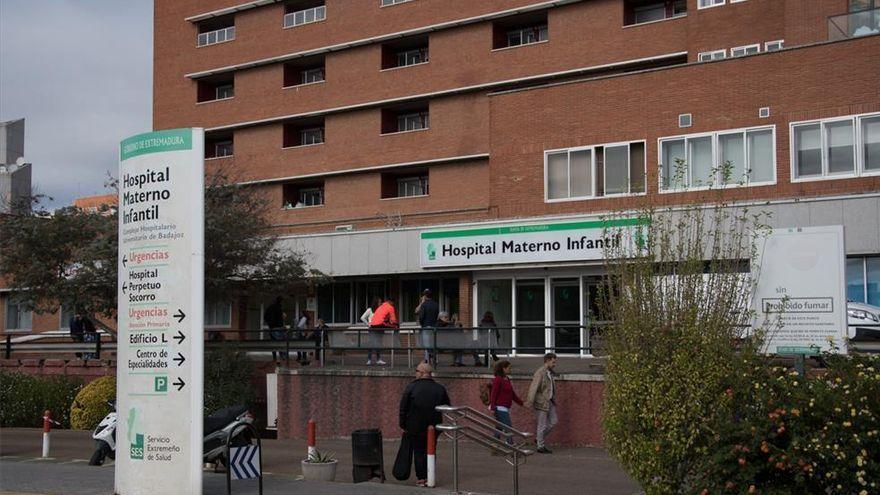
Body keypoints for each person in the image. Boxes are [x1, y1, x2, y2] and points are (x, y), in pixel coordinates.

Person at [394, 363, 450, 487]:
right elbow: (447, 405)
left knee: (419, 451)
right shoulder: (439, 388)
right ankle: (430, 475)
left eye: (416, 370)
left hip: (414, 426)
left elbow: (403, 407)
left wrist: (403, 424)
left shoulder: (411, 387)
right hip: (434, 425)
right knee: (431, 450)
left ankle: (422, 478)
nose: (415, 373)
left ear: (421, 372)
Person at [526, 353, 558, 453]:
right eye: (553, 362)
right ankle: (540, 446)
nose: (554, 364)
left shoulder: (549, 372)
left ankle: (539, 438)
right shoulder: (540, 372)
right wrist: (530, 401)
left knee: (553, 421)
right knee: (542, 425)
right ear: (547, 361)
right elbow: (534, 387)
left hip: (549, 401)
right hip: (541, 401)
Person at [489, 360, 524, 445]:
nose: (510, 369)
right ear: (503, 369)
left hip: (506, 407)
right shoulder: (498, 379)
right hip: (499, 407)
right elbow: (494, 393)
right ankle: (510, 444)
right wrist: (493, 407)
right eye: (509, 368)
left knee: (499, 427)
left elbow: (512, 394)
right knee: (508, 427)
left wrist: (521, 403)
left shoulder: (507, 379)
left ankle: (494, 445)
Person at [368, 297, 398, 365]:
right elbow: (393, 319)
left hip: (372, 325)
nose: (393, 305)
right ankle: (397, 342)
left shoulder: (382, 305)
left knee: (374, 342)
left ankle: (371, 360)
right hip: (380, 324)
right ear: (391, 302)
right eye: (393, 303)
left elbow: (381, 316)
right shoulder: (390, 307)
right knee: (396, 326)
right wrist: (395, 325)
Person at [416, 289, 439, 364]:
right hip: (434, 326)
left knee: (426, 345)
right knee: (432, 343)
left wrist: (421, 323)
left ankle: (427, 360)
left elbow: (420, 315)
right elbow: (436, 315)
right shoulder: (436, 304)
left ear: (425, 296)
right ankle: (435, 359)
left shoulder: (424, 304)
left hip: (426, 326)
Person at [264, 297, 287, 363]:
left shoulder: (270, 308)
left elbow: (265, 316)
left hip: (272, 327)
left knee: (273, 342)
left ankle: (274, 357)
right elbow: (281, 319)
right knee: (280, 342)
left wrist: (269, 323)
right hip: (279, 328)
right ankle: (281, 356)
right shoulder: (279, 308)